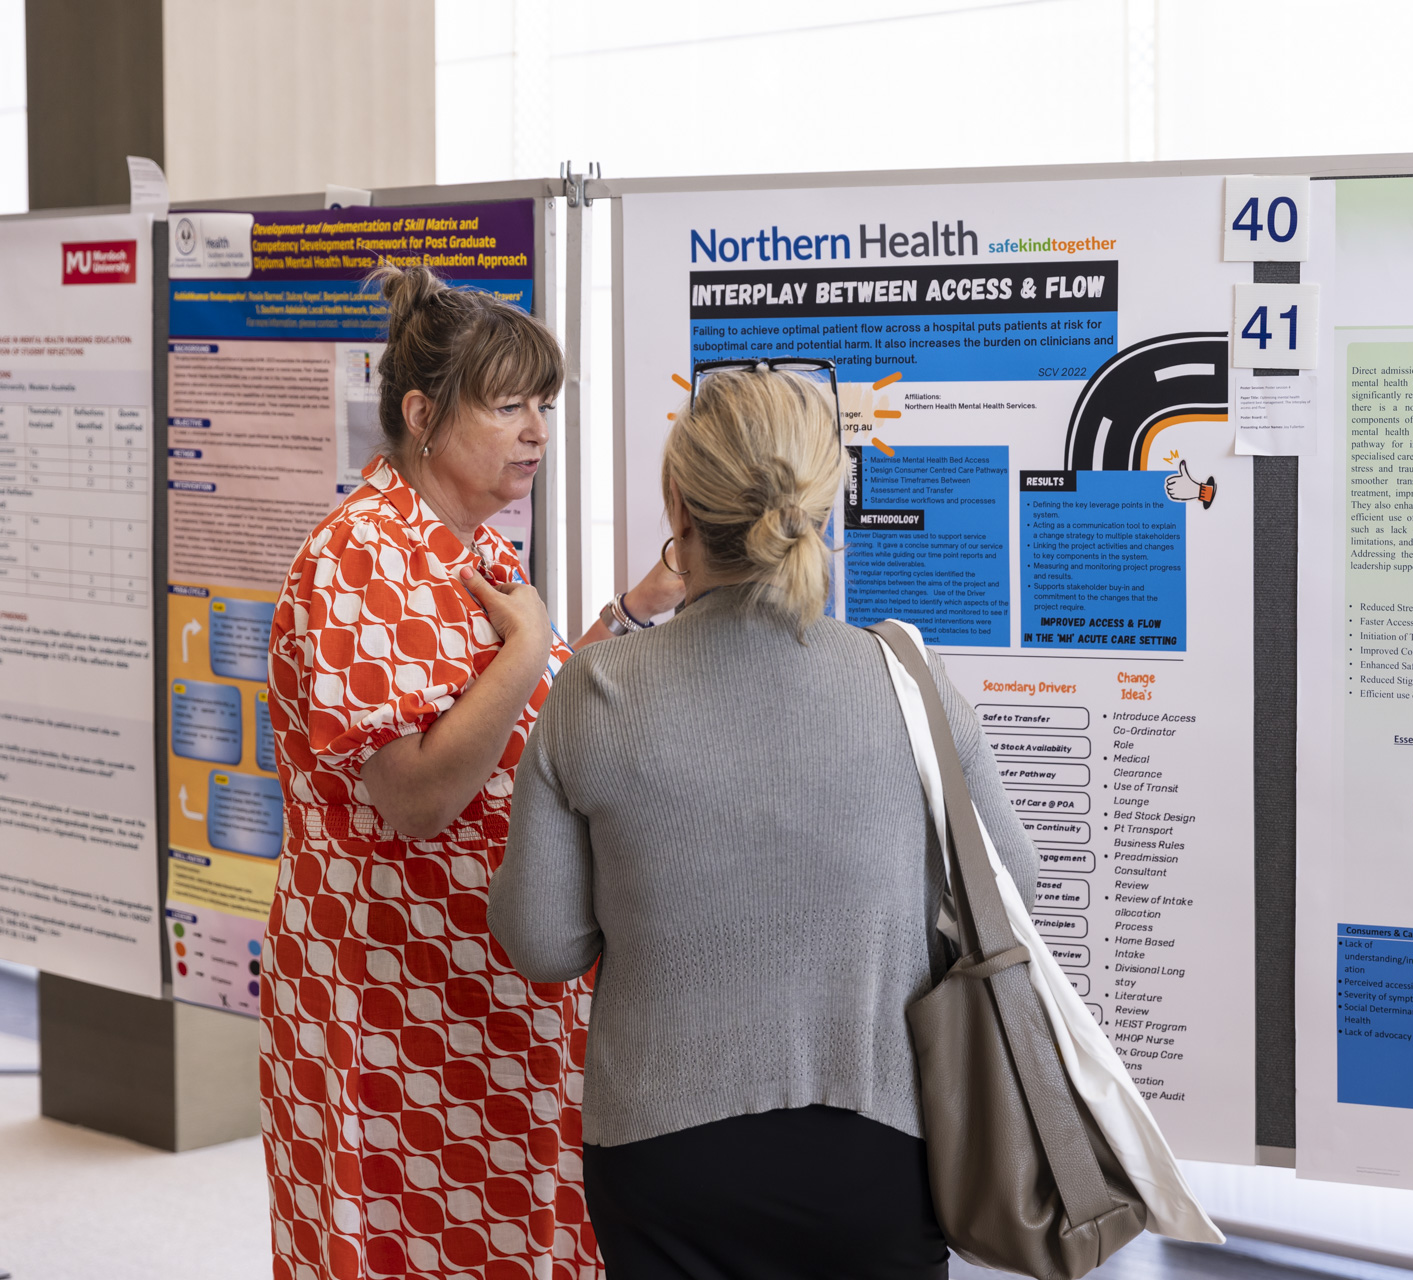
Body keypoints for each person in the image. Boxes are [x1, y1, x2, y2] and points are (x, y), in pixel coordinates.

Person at [490, 364, 1040, 1279]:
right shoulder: (905, 677)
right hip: (881, 1143)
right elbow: (1010, 884)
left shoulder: (600, 688)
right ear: (828, 505)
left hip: (659, 1156)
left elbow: (543, 944)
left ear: (679, 505)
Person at [260, 263, 684, 1280]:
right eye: (508, 404)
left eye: (545, 402)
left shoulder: (468, 544)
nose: (537, 429)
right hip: (393, 1001)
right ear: (422, 413)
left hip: (481, 983)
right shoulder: (359, 554)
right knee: (400, 1244)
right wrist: (530, 646)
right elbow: (414, 794)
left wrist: (635, 608)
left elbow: (515, 720)